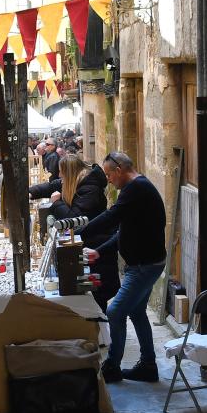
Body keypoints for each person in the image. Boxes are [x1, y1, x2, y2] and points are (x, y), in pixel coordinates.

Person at [78, 152, 166, 384]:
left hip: (143, 266)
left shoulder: (137, 189)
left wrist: (80, 233)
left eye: (108, 174)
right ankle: (148, 365)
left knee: (115, 311)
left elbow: (111, 217)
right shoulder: (136, 190)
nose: (108, 179)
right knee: (136, 312)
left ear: (119, 170)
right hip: (144, 264)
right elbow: (123, 232)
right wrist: (100, 250)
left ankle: (113, 366)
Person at [29, 154, 118, 310]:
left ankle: (100, 327)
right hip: (87, 248)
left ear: (69, 173)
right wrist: (30, 192)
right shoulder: (77, 182)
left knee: (96, 294)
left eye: (61, 172)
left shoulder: (90, 189)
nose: (59, 176)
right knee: (87, 291)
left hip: (96, 251)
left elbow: (74, 220)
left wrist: (56, 203)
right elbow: (52, 185)